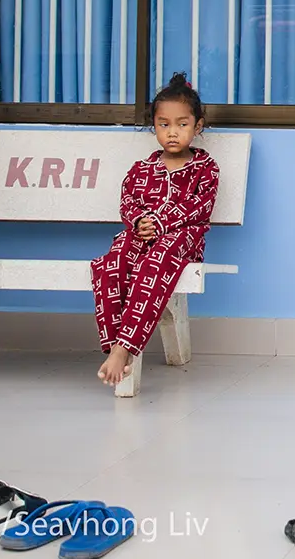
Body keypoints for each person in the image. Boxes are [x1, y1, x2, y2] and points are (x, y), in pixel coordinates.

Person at [92, 73, 220, 388]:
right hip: (143, 237)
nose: (172, 132)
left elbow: (200, 207)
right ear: (154, 127)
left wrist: (162, 222)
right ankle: (115, 347)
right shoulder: (141, 169)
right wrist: (138, 222)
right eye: (164, 125)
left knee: (155, 262)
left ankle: (123, 350)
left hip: (181, 241)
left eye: (181, 124)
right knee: (112, 261)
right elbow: (127, 202)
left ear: (197, 127)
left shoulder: (205, 169)